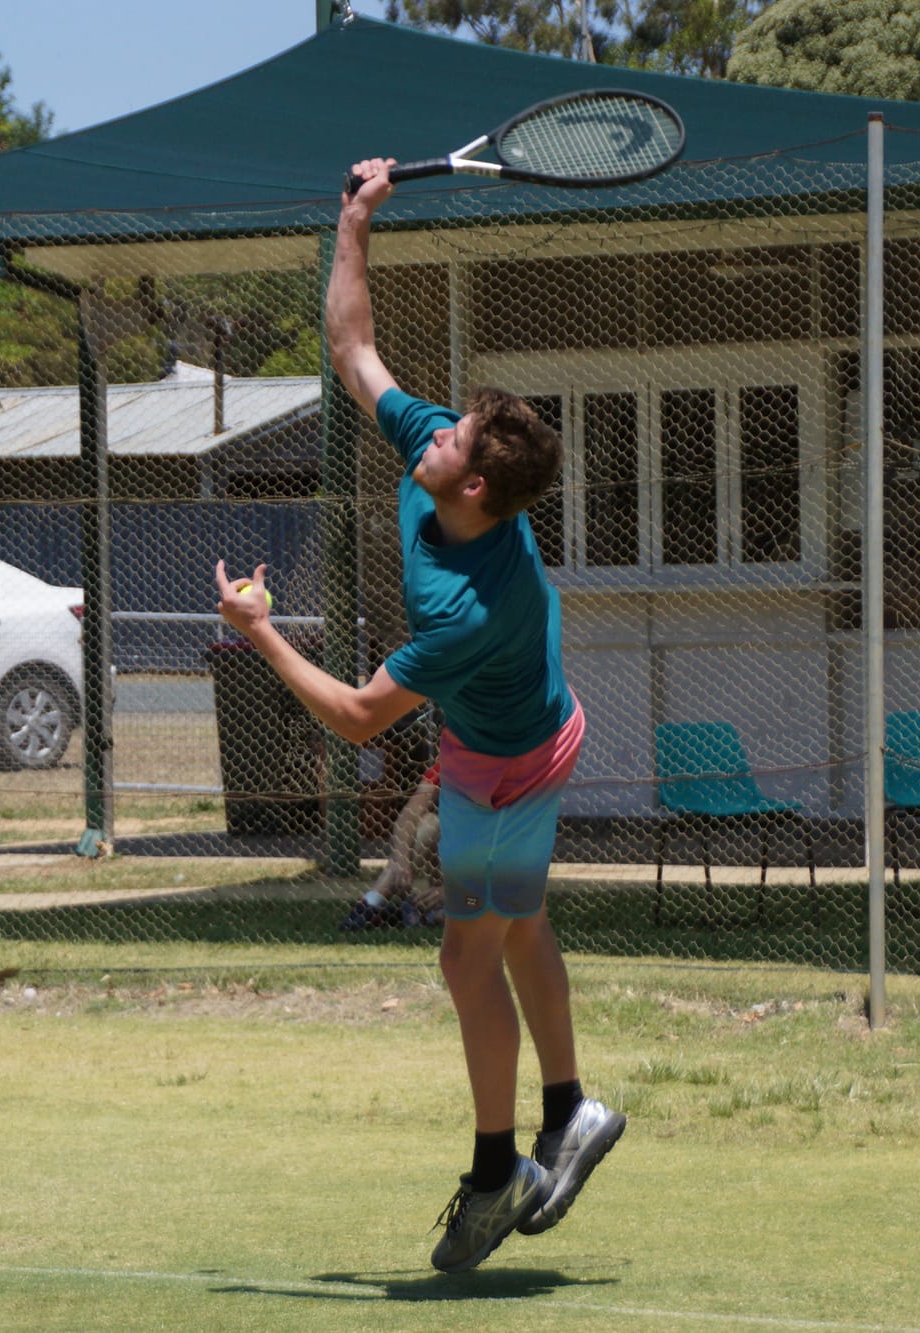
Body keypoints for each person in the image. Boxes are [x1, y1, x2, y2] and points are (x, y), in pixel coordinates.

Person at [212, 155, 626, 1276]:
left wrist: (256, 630)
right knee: (518, 925)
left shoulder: (463, 607)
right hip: (514, 734)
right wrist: (352, 219)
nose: (433, 428)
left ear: (474, 489)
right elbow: (352, 347)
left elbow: (353, 719)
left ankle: (499, 1176)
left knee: (461, 959)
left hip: (511, 766)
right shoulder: (442, 460)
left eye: (452, 438)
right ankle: (571, 1112)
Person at [340, 752, 445, 931]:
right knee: (429, 825)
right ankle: (374, 900)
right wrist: (401, 861)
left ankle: (423, 913)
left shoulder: (502, 765)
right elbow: (408, 815)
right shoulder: (451, 759)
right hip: (450, 874)